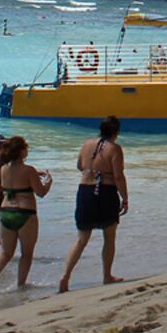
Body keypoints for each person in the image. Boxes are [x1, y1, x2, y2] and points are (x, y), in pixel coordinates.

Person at [58, 116, 128, 293]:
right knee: (109, 235)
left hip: (85, 191)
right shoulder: (115, 149)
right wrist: (125, 198)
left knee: (82, 238)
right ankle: (106, 275)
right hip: (106, 192)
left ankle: (65, 277)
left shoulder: (86, 144)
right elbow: (118, 176)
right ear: (117, 131)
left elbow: (80, 166)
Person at [0, 136, 52, 294]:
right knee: (26, 254)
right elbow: (40, 192)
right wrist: (48, 182)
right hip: (25, 212)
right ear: (22, 152)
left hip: (6, 212)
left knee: (5, 252)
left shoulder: (3, 168)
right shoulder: (28, 169)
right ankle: (21, 285)